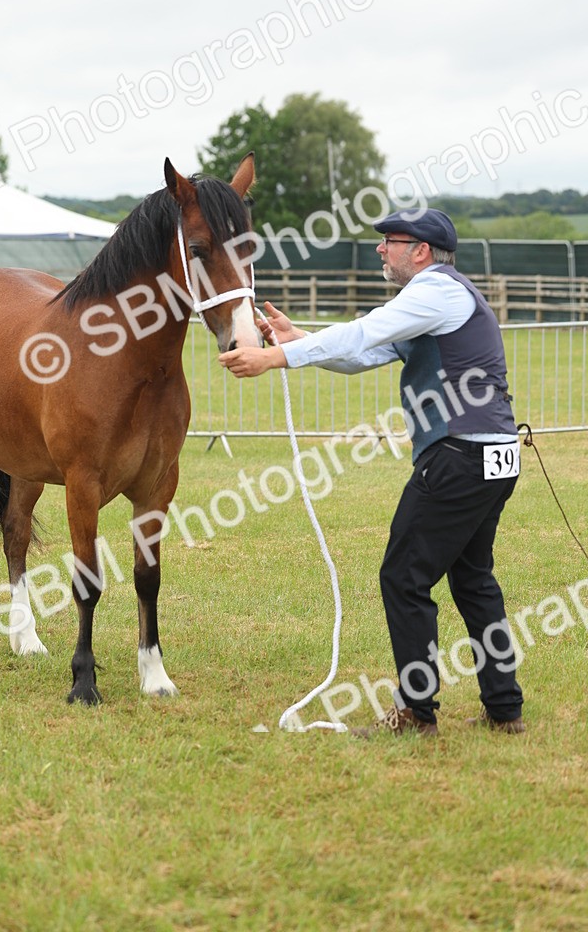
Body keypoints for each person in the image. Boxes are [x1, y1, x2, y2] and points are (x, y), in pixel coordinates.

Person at [219, 208, 524, 737]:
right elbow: (363, 353)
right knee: (473, 580)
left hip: (459, 457)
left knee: (403, 577)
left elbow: (362, 333)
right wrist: (298, 337)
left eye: (391, 242)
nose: (381, 249)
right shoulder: (438, 297)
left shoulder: (435, 293)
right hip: (490, 455)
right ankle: (504, 709)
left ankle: (417, 714)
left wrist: (276, 357)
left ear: (421, 252)